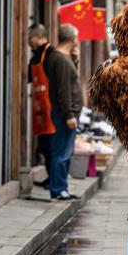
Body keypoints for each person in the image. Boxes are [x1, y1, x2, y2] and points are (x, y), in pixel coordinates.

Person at [47, 24, 83, 201]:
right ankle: (59, 189)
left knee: (65, 151)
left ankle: (62, 188)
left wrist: (75, 60)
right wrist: (69, 114)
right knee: (62, 152)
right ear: (71, 38)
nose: (78, 39)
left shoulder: (65, 57)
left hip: (68, 112)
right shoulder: (59, 59)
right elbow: (63, 90)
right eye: (77, 36)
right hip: (65, 113)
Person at [28, 23, 55, 189]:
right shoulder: (35, 56)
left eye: (30, 37)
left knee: (51, 148)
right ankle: (50, 178)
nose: (28, 41)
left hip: (50, 109)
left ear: (38, 37)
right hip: (40, 109)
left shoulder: (51, 54)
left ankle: (54, 180)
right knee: (44, 146)